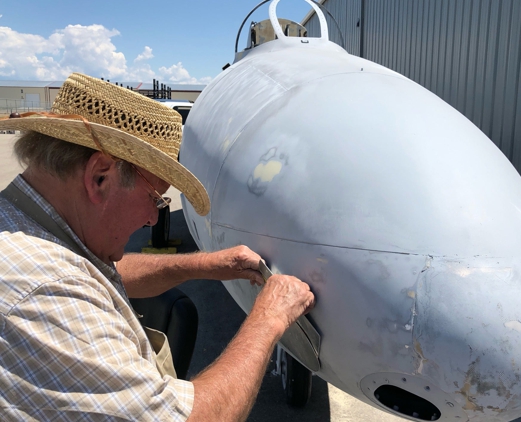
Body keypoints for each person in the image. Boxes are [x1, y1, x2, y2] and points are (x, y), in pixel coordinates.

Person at [0, 73, 315, 421]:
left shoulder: (27, 232)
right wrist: (269, 319)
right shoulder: (44, 291)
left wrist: (207, 266)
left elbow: (98, 276)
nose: (153, 218)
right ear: (99, 178)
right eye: (155, 197)